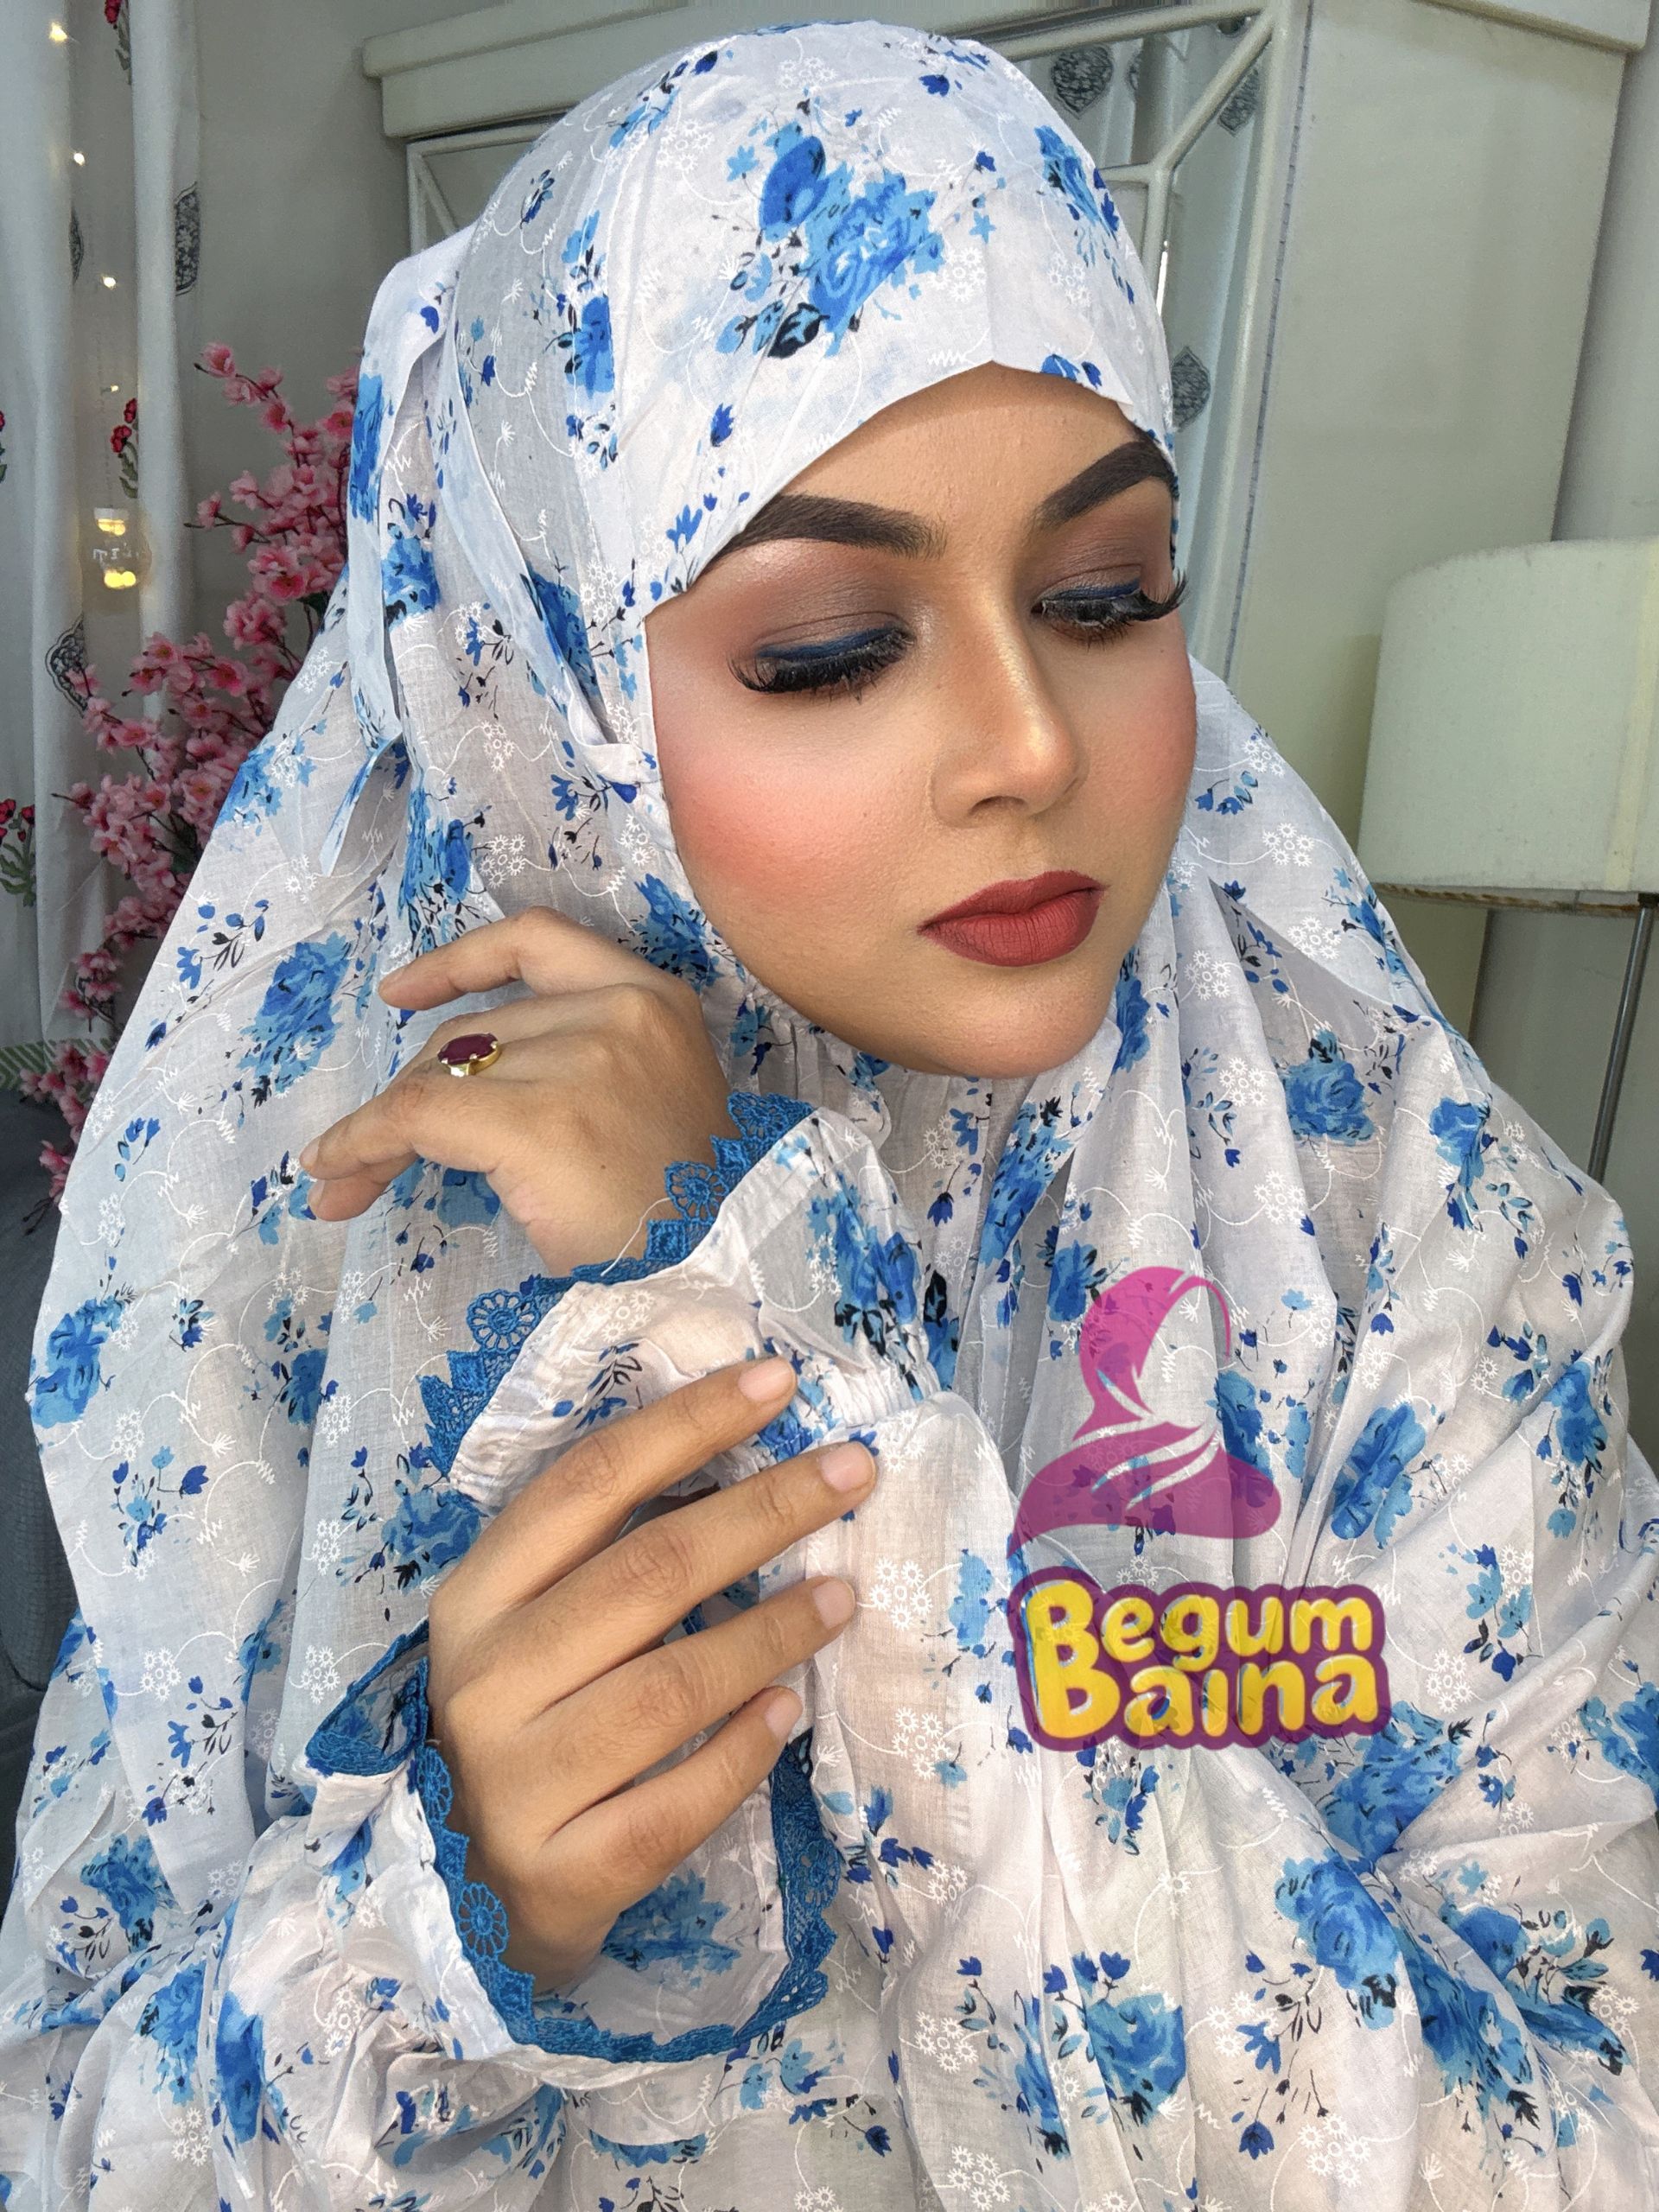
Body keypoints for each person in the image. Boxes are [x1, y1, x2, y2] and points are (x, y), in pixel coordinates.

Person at [4, 16, 1657, 2208]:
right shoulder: (308, 1259)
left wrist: (778, 1349)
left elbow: (1593, 2130)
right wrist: (434, 1928)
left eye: (1105, 598)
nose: (1032, 743)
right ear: (555, 696)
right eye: (826, 649)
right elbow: (68, 2134)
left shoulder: (1405, 1234)